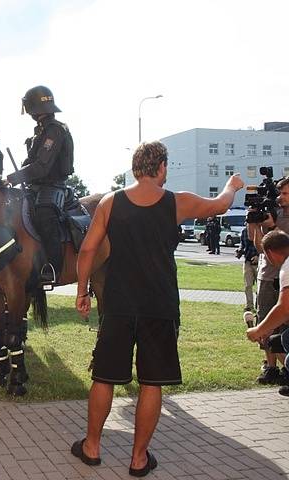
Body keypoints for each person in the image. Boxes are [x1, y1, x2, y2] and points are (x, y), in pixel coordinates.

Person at [74, 141, 244, 477]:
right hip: (159, 305)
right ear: (162, 167)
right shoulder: (177, 202)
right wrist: (232, 185)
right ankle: (138, 458)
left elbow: (87, 250)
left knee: (104, 377)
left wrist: (83, 290)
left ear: (136, 168)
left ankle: (91, 447)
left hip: (119, 306)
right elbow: (221, 206)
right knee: (152, 383)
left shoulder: (111, 202)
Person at [6, 85, 74, 284]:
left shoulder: (55, 130)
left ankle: (52, 267)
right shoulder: (41, 132)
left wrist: (11, 178)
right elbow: (32, 164)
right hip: (35, 186)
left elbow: (42, 167)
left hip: (53, 186)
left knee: (45, 215)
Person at [247, 176, 289, 384]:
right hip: (266, 275)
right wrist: (255, 223)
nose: (281, 198)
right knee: (265, 320)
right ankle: (270, 366)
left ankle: (286, 368)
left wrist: (273, 227)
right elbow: (261, 246)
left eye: (286, 194)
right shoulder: (272, 213)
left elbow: (281, 246)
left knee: (283, 326)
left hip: (285, 277)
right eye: (280, 193)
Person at [246, 229, 289, 397]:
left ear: (270, 253)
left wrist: (259, 330)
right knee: (282, 339)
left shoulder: (287, 268)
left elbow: (284, 308)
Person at [236, 226, 258, 313]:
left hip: (259, 262)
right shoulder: (244, 231)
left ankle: (259, 304)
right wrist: (239, 251)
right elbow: (242, 244)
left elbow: (265, 245)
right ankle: (249, 305)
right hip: (248, 261)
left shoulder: (260, 230)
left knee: (260, 286)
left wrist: (258, 255)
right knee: (248, 285)